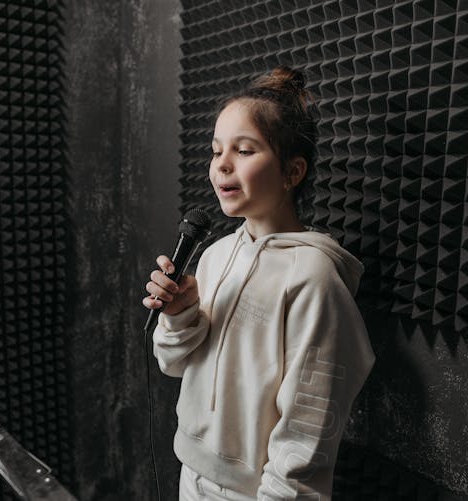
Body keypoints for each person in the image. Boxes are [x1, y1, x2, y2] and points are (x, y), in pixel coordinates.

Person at [143, 66, 375, 500]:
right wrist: (179, 317)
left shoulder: (314, 278)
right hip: (190, 478)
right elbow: (172, 364)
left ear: (292, 171)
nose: (222, 165)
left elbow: (307, 428)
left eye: (244, 150)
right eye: (215, 151)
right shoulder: (214, 255)